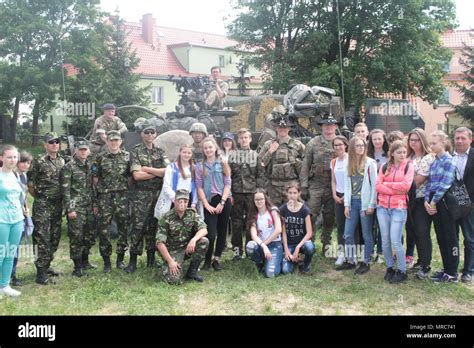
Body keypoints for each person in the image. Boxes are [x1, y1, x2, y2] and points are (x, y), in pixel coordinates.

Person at [125, 121, 168, 273]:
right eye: (146, 132)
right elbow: (136, 176)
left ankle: (151, 259)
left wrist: (147, 169)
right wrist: (157, 172)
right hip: (141, 196)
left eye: (152, 132)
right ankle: (133, 261)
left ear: (155, 134)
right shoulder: (135, 151)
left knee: (154, 227)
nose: (149, 135)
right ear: (141, 134)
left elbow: (167, 171)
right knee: (138, 227)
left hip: (157, 195)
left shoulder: (160, 151)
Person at [28, 132, 66, 285]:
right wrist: (40, 198)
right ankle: (41, 273)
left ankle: (47, 265)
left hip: (58, 205)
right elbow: (30, 184)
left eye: (57, 141)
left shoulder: (62, 161)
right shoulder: (38, 161)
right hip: (43, 204)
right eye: (51, 142)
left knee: (55, 237)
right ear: (45, 145)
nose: (55, 144)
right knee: (42, 238)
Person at [336, 137, 377, 274]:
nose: (361, 148)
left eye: (363, 145)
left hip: (365, 203)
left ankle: (366, 261)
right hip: (352, 203)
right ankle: (351, 260)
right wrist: (346, 205)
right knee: (348, 234)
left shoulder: (370, 163)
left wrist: (371, 205)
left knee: (366, 234)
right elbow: (347, 186)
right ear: (352, 148)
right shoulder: (349, 163)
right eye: (358, 145)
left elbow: (375, 186)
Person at [375, 140, 414, 284]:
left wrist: (387, 185)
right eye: (399, 152)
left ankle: (402, 270)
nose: (403, 155)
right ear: (392, 153)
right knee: (385, 240)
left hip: (399, 207)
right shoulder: (385, 166)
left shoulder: (409, 166)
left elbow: (406, 186)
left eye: (404, 152)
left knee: (396, 240)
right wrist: (392, 188)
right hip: (382, 207)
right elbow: (378, 186)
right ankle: (390, 267)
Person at [92, 130, 131, 273]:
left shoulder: (127, 157)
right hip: (105, 198)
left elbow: (130, 177)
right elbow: (95, 179)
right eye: (111, 140)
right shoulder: (100, 158)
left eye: (117, 140)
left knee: (123, 229)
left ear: (120, 141)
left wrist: (124, 190)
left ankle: (120, 260)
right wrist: (100, 195)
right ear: (107, 142)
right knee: (104, 230)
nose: (114, 143)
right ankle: (106, 262)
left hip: (122, 197)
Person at [300, 113, 338, 255]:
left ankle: (326, 243)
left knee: (330, 216)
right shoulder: (313, 143)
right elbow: (305, 165)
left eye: (331, 125)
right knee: (311, 215)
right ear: (321, 127)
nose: (329, 128)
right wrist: (303, 186)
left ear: (335, 126)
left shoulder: (341, 142)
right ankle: (309, 243)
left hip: (333, 185)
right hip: (316, 184)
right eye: (326, 125)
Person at [425, 130, 459, 283]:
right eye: (430, 143)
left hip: (445, 203)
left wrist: (433, 202)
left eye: (434, 143)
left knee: (450, 237)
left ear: (443, 143)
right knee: (440, 236)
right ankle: (446, 269)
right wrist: (427, 200)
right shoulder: (435, 161)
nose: (431, 146)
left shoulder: (449, 161)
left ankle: (452, 273)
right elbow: (429, 183)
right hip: (433, 202)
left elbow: (445, 184)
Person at [156, 189, 209, 284]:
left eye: (185, 201)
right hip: (173, 251)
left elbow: (204, 229)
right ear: (174, 201)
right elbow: (160, 243)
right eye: (179, 201)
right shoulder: (166, 218)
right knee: (174, 281)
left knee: (204, 241)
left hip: (188, 247)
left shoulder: (191, 214)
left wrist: (194, 239)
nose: (182, 204)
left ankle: (192, 272)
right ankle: (166, 265)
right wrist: (170, 261)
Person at [195, 137, 232, 271]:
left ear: (215, 148)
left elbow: (228, 183)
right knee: (210, 233)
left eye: (210, 147)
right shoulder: (200, 166)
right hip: (209, 201)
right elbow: (199, 187)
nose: (208, 150)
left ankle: (216, 259)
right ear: (203, 151)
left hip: (223, 200)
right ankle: (207, 259)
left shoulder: (222, 163)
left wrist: (222, 202)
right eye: (206, 148)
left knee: (223, 231)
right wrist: (206, 204)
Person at [60, 140, 96, 277]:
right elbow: (66, 190)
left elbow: (91, 187)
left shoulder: (89, 165)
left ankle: (85, 261)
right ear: (75, 150)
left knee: (89, 235)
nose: (83, 152)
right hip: (76, 207)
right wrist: (70, 209)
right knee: (76, 237)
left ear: (88, 150)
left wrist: (94, 205)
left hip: (88, 206)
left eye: (85, 149)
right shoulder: (69, 167)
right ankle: (77, 267)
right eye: (80, 149)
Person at [229, 128, 264, 260]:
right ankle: (237, 251)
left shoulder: (256, 155)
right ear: (238, 140)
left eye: (246, 137)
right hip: (236, 193)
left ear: (250, 139)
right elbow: (229, 175)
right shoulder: (232, 156)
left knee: (251, 222)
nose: (244, 140)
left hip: (251, 193)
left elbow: (260, 175)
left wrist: (259, 192)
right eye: (241, 138)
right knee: (236, 223)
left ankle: (251, 249)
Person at [258, 107, 305, 207]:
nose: (282, 130)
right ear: (276, 128)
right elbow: (259, 164)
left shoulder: (298, 145)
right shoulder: (268, 144)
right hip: (274, 187)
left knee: (292, 212)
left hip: (292, 187)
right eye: (279, 127)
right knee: (275, 213)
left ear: (289, 128)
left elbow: (307, 164)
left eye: (285, 128)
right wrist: (270, 152)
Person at [406, 128, 435, 279]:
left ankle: (426, 265)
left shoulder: (428, 158)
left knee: (422, 232)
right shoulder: (408, 156)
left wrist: (402, 181)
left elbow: (418, 180)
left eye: (416, 140)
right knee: (413, 232)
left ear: (422, 141)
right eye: (411, 140)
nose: (413, 143)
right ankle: (420, 260)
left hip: (422, 200)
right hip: (408, 200)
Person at [0, 145, 24, 297]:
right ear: (1, 158)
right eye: (9, 157)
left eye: (15, 157)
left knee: (10, 253)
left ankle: (5, 285)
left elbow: (20, 196)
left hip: (17, 219)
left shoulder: (16, 175)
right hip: (2, 220)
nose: (12, 160)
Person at [246, 188, 283, 278]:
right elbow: (253, 235)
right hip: (261, 245)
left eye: (261, 199)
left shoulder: (273, 211)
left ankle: (278, 259)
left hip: (274, 244)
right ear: (253, 201)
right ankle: (260, 263)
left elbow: (278, 230)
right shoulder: (253, 214)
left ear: (266, 198)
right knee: (250, 246)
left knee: (270, 274)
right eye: (256, 199)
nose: (259, 201)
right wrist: (263, 246)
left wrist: (265, 244)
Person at [453, 127, 473, 283]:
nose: (459, 141)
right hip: (452, 206)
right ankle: (451, 268)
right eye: (457, 138)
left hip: (469, 207)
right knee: (451, 239)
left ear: (470, 139)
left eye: (463, 138)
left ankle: (468, 271)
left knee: (469, 239)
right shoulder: (448, 156)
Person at [280, 182, 315, 275]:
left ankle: (305, 265)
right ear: (286, 194)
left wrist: (298, 247)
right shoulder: (283, 210)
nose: (292, 195)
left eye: (295, 193)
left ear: (299, 193)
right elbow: (283, 232)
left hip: (301, 243)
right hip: (289, 244)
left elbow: (309, 233)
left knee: (310, 247)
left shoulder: (305, 209)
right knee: (286, 271)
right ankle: (295, 260)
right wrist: (286, 250)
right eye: (290, 193)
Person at [367, 128, 389, 263]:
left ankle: (381, 251)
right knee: (370, 224)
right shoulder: (366, 153)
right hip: (369, 192)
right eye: (374, 139)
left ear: (384, 139)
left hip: (384, 193)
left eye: (379, 138)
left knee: (382, 224)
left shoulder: (388, 154)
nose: (377, 141)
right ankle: (370, 250)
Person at [10, 151, 32, 287]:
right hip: (9, 215)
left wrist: (27, 211)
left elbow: (24, 196)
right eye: (23, 161)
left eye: (28, 163)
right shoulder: (10, 176)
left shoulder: (24, 176)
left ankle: (12, 274)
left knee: (16, 246)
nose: (26, 165)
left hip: (21, 215)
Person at [157, 143, 198, 215]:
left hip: (188, 200)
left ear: (192, 154)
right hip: (174, 200)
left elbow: (195, 187)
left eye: (189, 153)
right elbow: (166, 185)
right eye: (184, 152)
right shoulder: (171, 167)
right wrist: (175, 199)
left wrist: (194, 203)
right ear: (180, 153)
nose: (186, 155)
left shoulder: (194, 168)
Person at [331, 136, 349, 266]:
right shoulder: (333, 162)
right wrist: (335, 195)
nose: (338, 147)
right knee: (341, 226)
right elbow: (333, 180)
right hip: (338, 196)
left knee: (352, 227)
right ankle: (341, 254)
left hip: (350, 196)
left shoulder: (352, 159)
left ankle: (353, 254)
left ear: (346, 145)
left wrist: (346, 196)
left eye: (340, 144)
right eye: (335, 145)